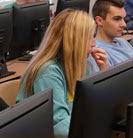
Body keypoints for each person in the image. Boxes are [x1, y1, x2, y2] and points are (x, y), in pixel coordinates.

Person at [16, 9, 107, 137]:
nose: (94, 43)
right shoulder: (48, 72)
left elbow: (92, 106)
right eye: (89, 37)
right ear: (74, 41)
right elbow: (60, 128)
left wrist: (104, 71)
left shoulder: (81, 64)